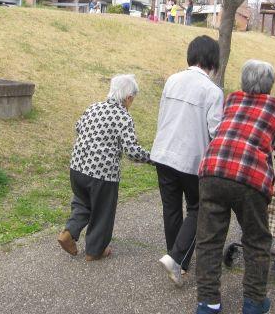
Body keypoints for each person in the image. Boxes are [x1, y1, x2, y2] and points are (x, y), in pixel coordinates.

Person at [195, 60, 275, 314]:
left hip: (213, 169)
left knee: (209, 240)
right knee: (257, 240)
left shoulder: (231, 99)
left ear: (243, 81)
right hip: (249, 178)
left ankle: (208, 303)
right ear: (270, 85)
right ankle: (254, 302)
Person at [151, 36, 224, 287]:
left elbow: (163, 115)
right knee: (199, 208)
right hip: (191, 159)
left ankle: (176, 261)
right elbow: (215, 131)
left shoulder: (172, 80)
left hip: (163, 152)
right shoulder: (212, 91)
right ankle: (177, 259)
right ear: (213, 60)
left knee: (171, 209)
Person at [57, 74, 151, 261]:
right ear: (129, 97)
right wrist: (153, 158)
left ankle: (68, 233)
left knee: (83, 202)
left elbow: (78, 127)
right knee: (103, 211)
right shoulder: (123, 117)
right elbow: (131, 151)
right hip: (102, 174)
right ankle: (95, 251)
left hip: (77, 168)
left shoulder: (93, 107)